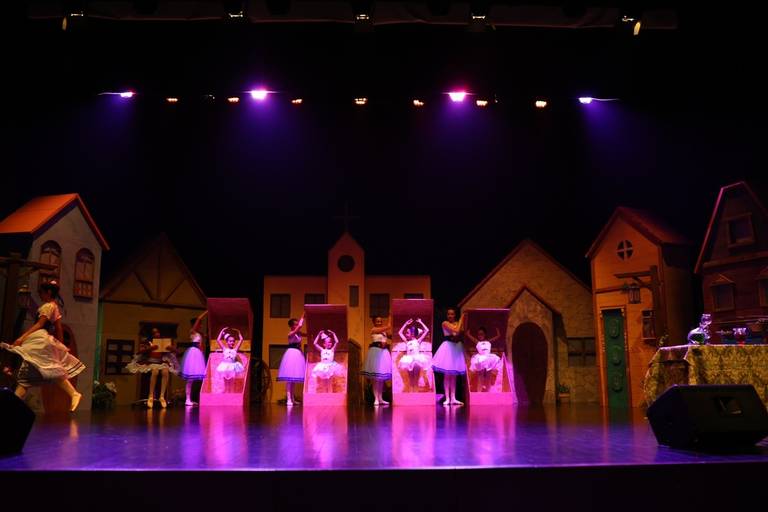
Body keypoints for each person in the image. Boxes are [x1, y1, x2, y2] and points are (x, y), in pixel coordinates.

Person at [1, 281, 85, 412]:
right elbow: (58, 328)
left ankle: (74, 393)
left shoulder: (48, 306)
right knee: (28, 376)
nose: (40, 295)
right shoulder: (54, 306)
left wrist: (22, 337)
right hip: (41, 340)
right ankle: (12, 406)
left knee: (48, 369)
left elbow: (40, 324)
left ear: (48, 292)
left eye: (41, 292)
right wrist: (60, 344)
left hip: (39, 340)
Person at [126, 326, 179, 408]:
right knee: (155, 371)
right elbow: (139, 352)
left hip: (160, 362)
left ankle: (162, 396)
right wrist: (150, 348)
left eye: (158, 332)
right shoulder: (147, 342)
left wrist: (170, 348)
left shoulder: (163, 342)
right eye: (154, 333)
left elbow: (176, 351)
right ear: (151, 334)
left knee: (165, 371)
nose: (157, 334)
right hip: (150, 361)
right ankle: (151, 395)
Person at [432, 307, 466, 406]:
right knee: (447, 375)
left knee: (454, 376)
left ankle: (453, 398)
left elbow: (460, 333)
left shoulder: (457, 323)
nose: (450, 316)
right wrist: (461, 319)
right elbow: (456, 330)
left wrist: (460, 324)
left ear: (455, 315)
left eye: (452, 314)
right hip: (448, 348)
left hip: (456, 348)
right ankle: (447, 398)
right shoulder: (445, 323)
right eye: (448, 314)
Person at [362, 316, 392, 405]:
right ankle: (376, 399)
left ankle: (380, 398)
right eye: (377, 321)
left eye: (380, 321)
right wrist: (389, 320)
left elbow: (390, 335)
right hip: (375, 353)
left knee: (381, 379)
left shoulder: (384, 332)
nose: (379, 322)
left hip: (384, 353)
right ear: (374, 322)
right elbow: (387, 327)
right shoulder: (374, 330)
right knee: (375, 378)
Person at [179, 311, 208, 406]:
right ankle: (187, 399)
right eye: (199, 324)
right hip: (193, 353)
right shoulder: (193, 331)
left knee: (194, 379)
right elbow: (199, 318)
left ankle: (190, 399)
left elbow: (201, 344)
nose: (201, 326)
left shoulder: (199, 333)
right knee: (190, 379)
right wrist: (206, 312)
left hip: (198, 354)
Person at [277, 313, 306, 406]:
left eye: (297, 324)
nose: (297, 325)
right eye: (295, 324)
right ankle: (288, 399)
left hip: (298, 354)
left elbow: (306, 334)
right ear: (292, 326)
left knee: (293, 380)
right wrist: (303, 316)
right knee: (289, 379)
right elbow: (300, 326)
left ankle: (293, 399)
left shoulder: (299, 333)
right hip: (291, 355)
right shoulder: (290, 334)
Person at [396, 318, 431, 391]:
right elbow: (400, 333)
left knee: (416, 380)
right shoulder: (407, 342)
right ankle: (411, 394)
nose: (406, 334)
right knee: (411, 380)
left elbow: (427, 330)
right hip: (409, 361)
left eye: (407, 333)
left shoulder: (418, 341)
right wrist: (406, 324)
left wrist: (421, 322)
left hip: (417, 361)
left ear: (412, 334)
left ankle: (415, 394)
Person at [466, 327, 502, 392]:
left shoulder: (488, 341)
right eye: (478, 334)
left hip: (488, 359)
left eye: (481, 334)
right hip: (480, 359)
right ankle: (479, 392)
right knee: (480, 375)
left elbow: (497, 336)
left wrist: (497, 331)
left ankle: (488, 391)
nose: (480, 336)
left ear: (485, 334)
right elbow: (470, 336)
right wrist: (468, 333)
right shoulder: (477, 342)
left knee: (488, 375)